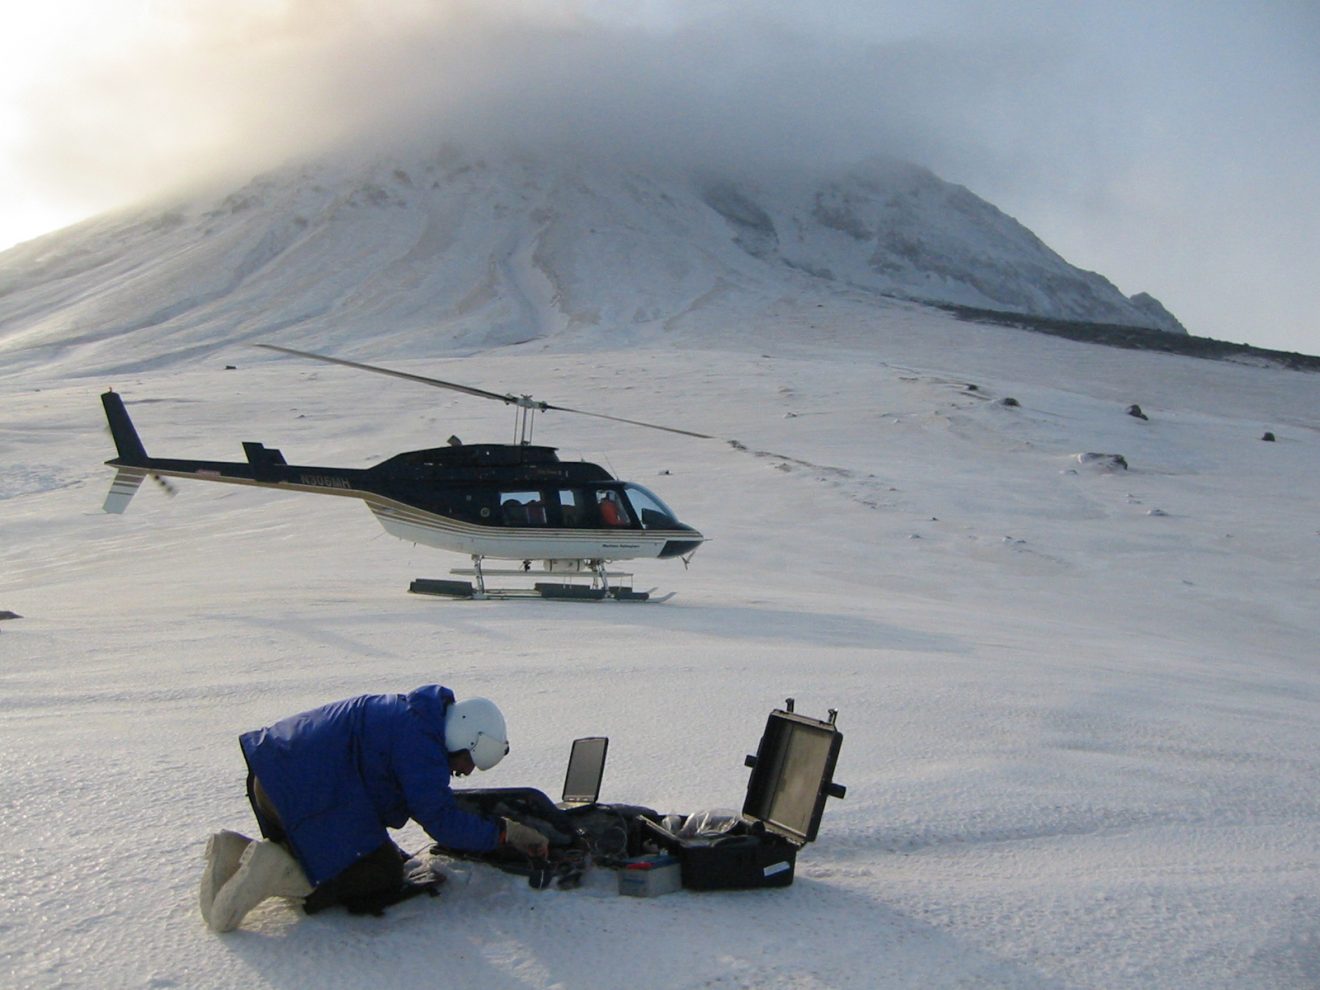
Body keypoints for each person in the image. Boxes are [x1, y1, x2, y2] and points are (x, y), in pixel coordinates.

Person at [199, 686, 549, 932]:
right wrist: (507, 833)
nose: (466, 772)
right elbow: (441, 821)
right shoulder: (422, 749)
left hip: (272, 779)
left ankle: (234, 850)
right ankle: (276, 870)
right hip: (302, 796)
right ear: (464, 737)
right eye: (468, 761)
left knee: (373, 850)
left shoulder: (414, 716)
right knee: (380, 872)